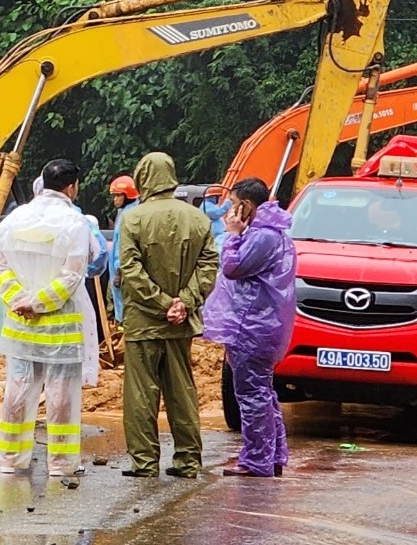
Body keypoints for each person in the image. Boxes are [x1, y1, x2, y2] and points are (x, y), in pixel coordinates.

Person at [0, 158, 96, 498]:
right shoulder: (73, 222)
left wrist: (19, 301)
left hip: (20, 324)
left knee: (18, 389)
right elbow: (72, 274)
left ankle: (9, 458)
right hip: (59, 323)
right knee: (62, 394)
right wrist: (39, 302)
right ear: (72, 187)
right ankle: (61, 463)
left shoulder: (14, 219)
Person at [116, 150, 217, 479]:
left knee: (141, 394)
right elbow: (209, 265)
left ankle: (144, 463)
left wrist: (161, 303)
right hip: (181, 323)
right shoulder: (198, 219)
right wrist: (184, 303)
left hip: (143, 322)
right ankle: (188, 461)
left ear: (143, 177)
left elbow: (130, 270)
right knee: (182, 392)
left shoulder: (132, 219)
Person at [203, 178, 297, 477]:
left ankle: (257, 460)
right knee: (264, 392)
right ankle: (273, 455)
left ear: (247, 206)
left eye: (233, 205)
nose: (230, 211)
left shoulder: (261, 237)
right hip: (262, 323)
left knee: (252, 393)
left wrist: (232, 235)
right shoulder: (269, 233)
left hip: (251, 324)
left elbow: (233, 268)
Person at [105, 173, 140, 320]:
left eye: (118, 195)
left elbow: (123, 246)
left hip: (124, 272)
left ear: (127, 195)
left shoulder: (130, 215)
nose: (115, 199)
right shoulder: (124, 213)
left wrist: (120, 270)